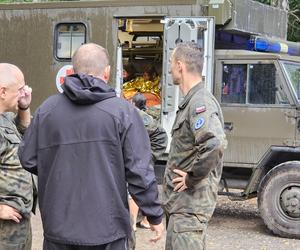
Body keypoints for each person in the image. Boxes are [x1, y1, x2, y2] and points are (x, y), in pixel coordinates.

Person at [18, 43, 164, 250]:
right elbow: (139, 172)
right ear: (107, 72)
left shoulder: (47, 110)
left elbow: (28, 158)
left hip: (59, 229)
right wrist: (154, 214)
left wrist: (58, 167)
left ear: (72, 71)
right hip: (107, 229)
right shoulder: (123, 112)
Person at [162, 42, 227, 250]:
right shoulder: (191, 101)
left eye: (172, 63)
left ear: (180, 65)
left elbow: (214, 143)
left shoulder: (201, 102)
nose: (170, 68)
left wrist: (192, 178)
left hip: (189, 210)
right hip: (181, 208)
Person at [0, 63, 35, 250]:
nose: (24, 92)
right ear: (3, 92)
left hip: (18, 222)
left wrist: (24, 107)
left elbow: (25, 134)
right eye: (20, 89)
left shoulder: (5, 117)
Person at [129, 92, 168, 232]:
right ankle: (146, 219)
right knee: (145, 183)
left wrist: (147, 155)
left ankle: (133, 224)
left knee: (137, 183)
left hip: (149, 151)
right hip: (146, 150)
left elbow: (160, 136)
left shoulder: (139, 116)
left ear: (134, 103)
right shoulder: (138, 114)